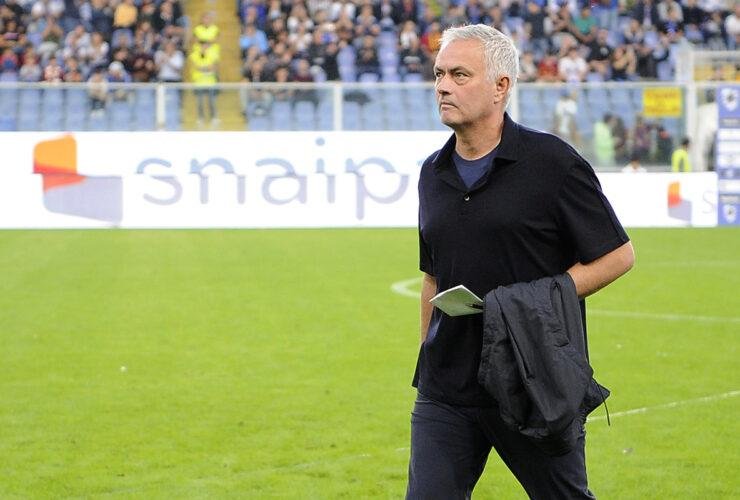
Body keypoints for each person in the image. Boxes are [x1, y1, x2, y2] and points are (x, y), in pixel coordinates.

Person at [409, 24, 634, 499]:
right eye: (439, 74)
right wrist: (427, 351)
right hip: (447, 388)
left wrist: (535, 298)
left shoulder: (553, 163)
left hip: (533, 376)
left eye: (459, 74)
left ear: (501, 86)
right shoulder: (432, 172)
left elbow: (618, 255)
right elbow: (432, 275)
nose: (443, 86)